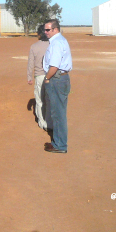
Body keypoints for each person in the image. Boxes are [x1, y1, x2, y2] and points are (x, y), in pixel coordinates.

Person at [42, 19, 72, 153]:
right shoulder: (60, 41)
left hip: (56, 79)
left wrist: (47, 78)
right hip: (62, 79)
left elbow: (54, 66)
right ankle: (58, 142)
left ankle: (59, 145)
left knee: (57, 114)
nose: (45, 32)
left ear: (55, 29)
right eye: (45, 30)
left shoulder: (56, 43)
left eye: (48, 30)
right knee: (59, 113)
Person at [27, 24, 50, 130]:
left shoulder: (34, 46)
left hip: (39, 76)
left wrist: (29, 77)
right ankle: (49, 121)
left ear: (39, 34)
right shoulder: (52, 44)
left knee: (39, 100)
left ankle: (42, 122)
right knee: (49, 100)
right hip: (51, 76)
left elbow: (30, 63)